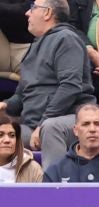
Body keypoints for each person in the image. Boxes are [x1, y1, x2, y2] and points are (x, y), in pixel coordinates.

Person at [7, 0, 90, 166]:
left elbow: (70, 86)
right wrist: (4, 106)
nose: (27, 13)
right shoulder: (35, 46)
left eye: (33, 8)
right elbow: (21, 96)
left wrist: (43, 123)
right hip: (33, 125)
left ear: (47, 13)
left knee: (51, 129)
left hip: (70, 121)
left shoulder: (66, 39)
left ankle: (55, 188)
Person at [41, 100, 99, 181]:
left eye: (97, 124)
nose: (92, 129)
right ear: (75, 130)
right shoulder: (55, 171)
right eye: (86, 124)